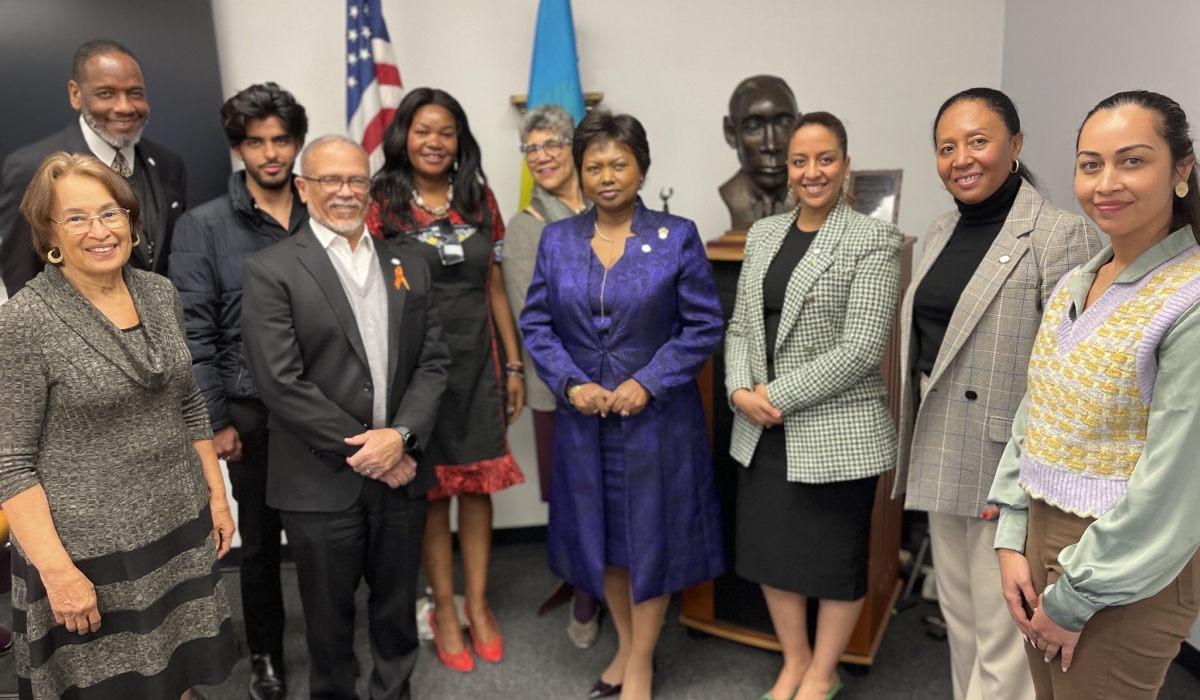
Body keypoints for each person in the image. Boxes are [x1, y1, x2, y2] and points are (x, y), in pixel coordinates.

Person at [0, 152, 238, 698]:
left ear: (131, 218)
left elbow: (189, 405)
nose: (100, 231)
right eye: (77, 218)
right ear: (49, 232)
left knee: (178, 673)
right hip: (87, 556)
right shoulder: (24, 322)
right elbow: (11, 463)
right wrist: (59, 575)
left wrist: (217, 500)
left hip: (177, 525)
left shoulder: (158, 293)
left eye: (110, 213)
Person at [989, 90, 1200, 699]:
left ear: (1181, 169)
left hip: (1123, 566)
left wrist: (1079, 594)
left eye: (1132, 161)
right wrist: (1011, 534)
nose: (1106, 182)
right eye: (1090, 164)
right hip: (1042, 537)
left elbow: (1176, 483)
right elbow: (1037, 411)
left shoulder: (1188, 300)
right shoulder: (1082, 281)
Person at [892, 88, 1101, 700]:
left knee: (1005, 629)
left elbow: (1065, 378)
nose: (963, 158)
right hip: (941, 441)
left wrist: (1021, 482)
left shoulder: (1060, 235)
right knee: (960, 618)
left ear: (1015, 145)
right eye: (947, 147)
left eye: (978, 141)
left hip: (1007, 462)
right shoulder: (937, 230)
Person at [521, 110, 726, 700]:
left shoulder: (677, 235)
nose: (607, 176)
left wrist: (651, 380)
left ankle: (640, 661)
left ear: (641, 168)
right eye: (595, 166)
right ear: (580, 174)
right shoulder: (557, 240)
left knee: (651, 541)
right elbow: (536, 324)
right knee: (603, 539)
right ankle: (624, 647)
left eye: (619, 164)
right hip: (586, 423)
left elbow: (702, 326)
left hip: (657, 423)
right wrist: (569, 383)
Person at [241, 135, 449, 699]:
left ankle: (394, 691)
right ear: (303, 188)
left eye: (357, 180)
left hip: (402, 474)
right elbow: (280, 384)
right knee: (329, 627)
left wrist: (401, 438)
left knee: (396, 612)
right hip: (319, 480)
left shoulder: (409, 261)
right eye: (330, 180)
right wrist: (373, 450)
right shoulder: (270, 270)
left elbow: (433, 363)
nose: (345, 191)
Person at [725, 112, 901, 700]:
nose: (812, 171)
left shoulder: (872, 239)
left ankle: (822, 674)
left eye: (825, 159)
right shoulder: (764, 234)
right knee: (773, 556)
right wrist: (737, 392)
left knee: (833, 564)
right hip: (760, 430)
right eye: (800, 161)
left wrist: (772, 395)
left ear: (846, 165)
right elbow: (741, 329)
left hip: (834, 431)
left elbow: (861, 350)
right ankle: (794, 661)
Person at [366, 87, 524, 672]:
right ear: (404, 135)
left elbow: (497, 287)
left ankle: (478, 605)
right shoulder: (382, 201)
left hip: (480, 363)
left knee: (477, 489)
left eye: (446, 131)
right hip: (418, 370)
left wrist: (513, 364)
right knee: (432, 494)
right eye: (423, 130)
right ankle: (444, 611)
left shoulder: (479, 198)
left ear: (460, 141)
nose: (434, 141)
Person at [168, 81, 309, 700]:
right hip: (250, 414)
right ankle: (267, 658)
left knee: (327, 537)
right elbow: (192, 335)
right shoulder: (203, 226)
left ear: (297, 143)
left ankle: (333, 643)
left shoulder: (320, 210)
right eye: (256, 142)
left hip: (324, 410)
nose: (270, 153)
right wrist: (216, 422)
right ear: (237, 148)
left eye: (281, 140)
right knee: (259, 547)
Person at [502, 103, 600, 648]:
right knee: (577, 499)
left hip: (625, 385)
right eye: (531, 149)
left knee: (616, 493)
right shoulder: (526, 227)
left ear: (576, 146)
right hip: (561, 389)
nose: (540, 157)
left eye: (552, 145)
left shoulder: (612, 207)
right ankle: (586, 601)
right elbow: (532, 321)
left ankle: (614, 585)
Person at [0, 39, 187, 297]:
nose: (125, 107)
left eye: (135, 93)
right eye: (106, 93)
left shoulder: (169, 164)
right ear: (76, 94)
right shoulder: (31, 169)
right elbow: (22, 280)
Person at [719, 75, 800, 231]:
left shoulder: (819, 195)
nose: (771, 145)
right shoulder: (732, 194)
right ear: (730, 133)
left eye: (784, 124)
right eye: (754, 126)